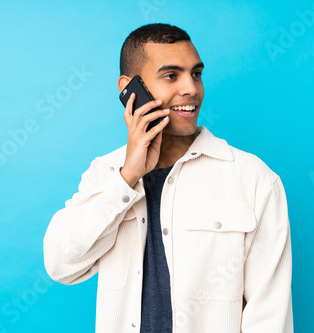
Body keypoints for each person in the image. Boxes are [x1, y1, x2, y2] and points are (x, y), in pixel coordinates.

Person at [43, 23, 293, 333]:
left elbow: (269, 315)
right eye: (171, 75)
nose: (191, 88)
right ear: (130, 87)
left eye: (196, 74)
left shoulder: (253, 178)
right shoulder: (106, 174)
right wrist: (127, 178)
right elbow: (60, 265)